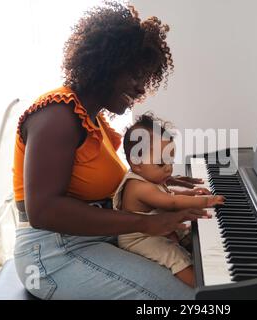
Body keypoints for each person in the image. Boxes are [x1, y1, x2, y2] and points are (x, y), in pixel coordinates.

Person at [12, 2, 210, 300]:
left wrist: (160, 181)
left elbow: (101, 188)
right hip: (50, 253)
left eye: (146, 77)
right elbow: (43, 211)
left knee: (199, 272)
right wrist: (147, 222)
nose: (142, 87)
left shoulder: (95, 119)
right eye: (135, 74)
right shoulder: (57, 114)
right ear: (108, 64)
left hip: (88, 238)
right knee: (185, 299)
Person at [113, 113, 224, 287]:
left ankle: (209, 262)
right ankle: (202, 288)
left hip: (153, 227)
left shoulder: (149, 177)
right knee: (173, 255)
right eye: (161, 163)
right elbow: (170, 202)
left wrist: (192, 194)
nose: (169, 169)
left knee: (187, 232)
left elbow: (169, 195)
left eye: (171, 161)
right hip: (140, 239)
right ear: (136, 164)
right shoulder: (139, 187)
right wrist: (206, 201)